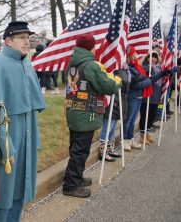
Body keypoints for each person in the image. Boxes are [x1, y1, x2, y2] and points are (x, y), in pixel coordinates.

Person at [0, 21, 45, 222]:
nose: (26, 42)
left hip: (28, 131)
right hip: (9, 134)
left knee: (22, 185)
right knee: (3, 191)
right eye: (22, 38)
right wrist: (4, 144)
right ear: (8, 41)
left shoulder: (27, 63)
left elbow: (32, 105)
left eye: (28, 38)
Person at [63, 33, 122, 198]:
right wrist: (118, 79)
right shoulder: (91, 65)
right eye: (95, 46)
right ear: (91, 47)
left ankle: (75, 177)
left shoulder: (72, 63)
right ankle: (70, 185)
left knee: (75, 148)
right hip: (86, 114)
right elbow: (108, 86)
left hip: (74, 112)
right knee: (80, 151)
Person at [122, 46, 171, 151]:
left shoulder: (136, 67)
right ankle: (124, 140)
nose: (136, 56)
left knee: (132, 120)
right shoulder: (128, 68)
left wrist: (161, 74)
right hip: (132, 96)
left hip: (140, 96)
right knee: (128, 120)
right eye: (134, 54)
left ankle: (130, 138)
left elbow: (148, 79)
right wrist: (147, 81)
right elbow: (135, 85)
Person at [99, 65, 130, 162]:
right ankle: (103, 152)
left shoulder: (123, 69)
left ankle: (110, 149)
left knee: (112, 128)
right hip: (111, 100)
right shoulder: (111, 68)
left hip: (119, 100)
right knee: (107, 127)